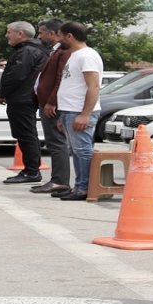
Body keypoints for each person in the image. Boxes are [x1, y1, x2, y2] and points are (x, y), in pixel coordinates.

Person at [52, 22, 104, 201]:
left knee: (82, 151)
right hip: (70, 111)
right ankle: (79, 185)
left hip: (79, 112)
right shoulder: (75, 56)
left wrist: (85, 114)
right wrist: (63, 115)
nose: (57, 40)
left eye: (59, 35)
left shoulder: (87, 56)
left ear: (69, 36)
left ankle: (85, 188)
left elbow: (93, 86)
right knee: (76, 150)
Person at [0, 21, 49, 184]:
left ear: (20, 34)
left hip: (23, 98)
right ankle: (30, 170)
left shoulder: (27, 51)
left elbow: (16, 75)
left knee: (26, 135)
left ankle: (31, 171)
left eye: (9, 32)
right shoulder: (31, 49)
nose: (7, 35)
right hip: (24, 97)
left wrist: (2, 94)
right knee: (25, 134)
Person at [31, 19, 72, 195]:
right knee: (53, 142)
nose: (39, 36)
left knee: (57, 142)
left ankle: (59, 181)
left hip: (52, 106)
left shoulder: (63, 52)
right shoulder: (54, 51)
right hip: (46, 103)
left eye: (41, 32)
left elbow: (60, 79)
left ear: (53, 33)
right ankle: (57, 179)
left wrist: (52, 102)